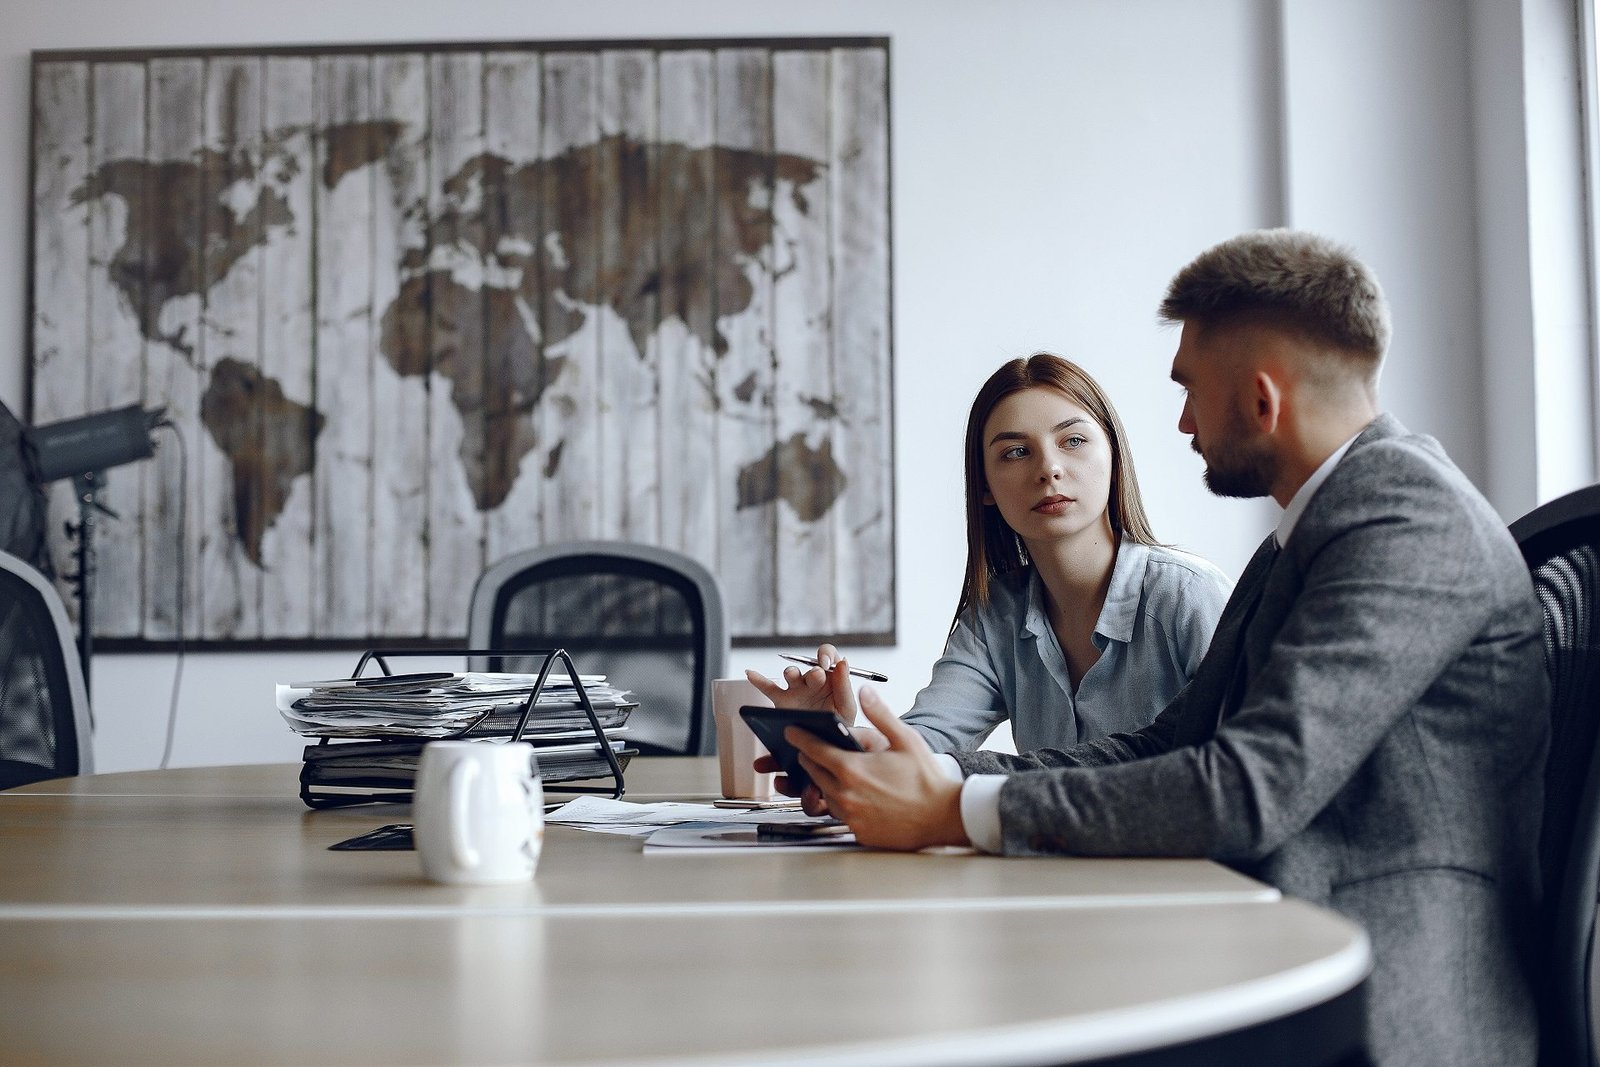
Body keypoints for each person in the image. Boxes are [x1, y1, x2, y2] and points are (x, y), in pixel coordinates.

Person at [769, 230, 1550, 1066]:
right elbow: (1169, 741)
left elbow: (1248, 786)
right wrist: (940, 780)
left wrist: (955, 810)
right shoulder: (1311, 531)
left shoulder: (1406, 519)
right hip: (1269, 940)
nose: (1179, 421)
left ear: (1260, 400)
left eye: (1190, 391)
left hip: (1377, 995)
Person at [749, 353, 1232, 752]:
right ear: (984, 487)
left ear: (1114, 456)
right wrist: (831, 737)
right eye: (1016, 452)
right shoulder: (996, 613)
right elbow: (926, 743)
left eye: (1074, 441)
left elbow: (1241, 769)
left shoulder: (1187, 596)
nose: (1050, 469)